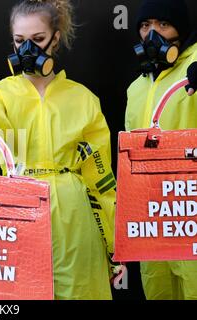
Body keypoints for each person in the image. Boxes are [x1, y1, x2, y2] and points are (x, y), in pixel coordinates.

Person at [0, 0, 117, 300]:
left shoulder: (83, 99)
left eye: (38, 40)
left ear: (55, 38)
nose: (28, 50)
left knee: (81, 291)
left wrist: (114, 245)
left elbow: (101, 177)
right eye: (20, 41)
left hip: (74, 216)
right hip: (19, 208)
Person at [125, 0, 197, 300]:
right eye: (145, 25)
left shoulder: (195, 68)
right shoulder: (136, 88)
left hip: (189, 207)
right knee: (157, 289)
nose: (152, 33)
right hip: (152, 213)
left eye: (163, 24)